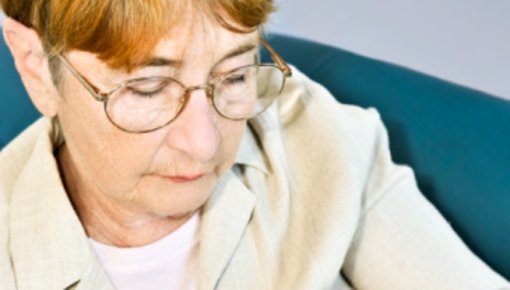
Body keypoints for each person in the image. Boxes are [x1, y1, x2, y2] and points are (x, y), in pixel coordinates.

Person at [0, 1, 508, 289]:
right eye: (148, 89)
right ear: (35, 67)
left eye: (236, 75)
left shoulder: (315, 135)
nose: (204, 146)